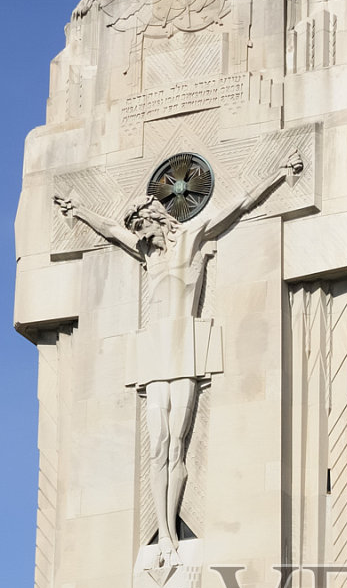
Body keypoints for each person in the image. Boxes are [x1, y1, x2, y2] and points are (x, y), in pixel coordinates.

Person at [55, 153, 303, 563]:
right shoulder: (147, 255)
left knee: (178, 444)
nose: (141, 236)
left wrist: (277, 173)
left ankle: (173, 524)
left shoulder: (192, 240)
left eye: (144, 228)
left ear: (157, 220)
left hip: (187, 341)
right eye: (138, 231)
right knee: (159, 442)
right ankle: (165, 534)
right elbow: (111, 231)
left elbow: (239, 205)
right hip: (154, 347)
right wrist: (79, 211)